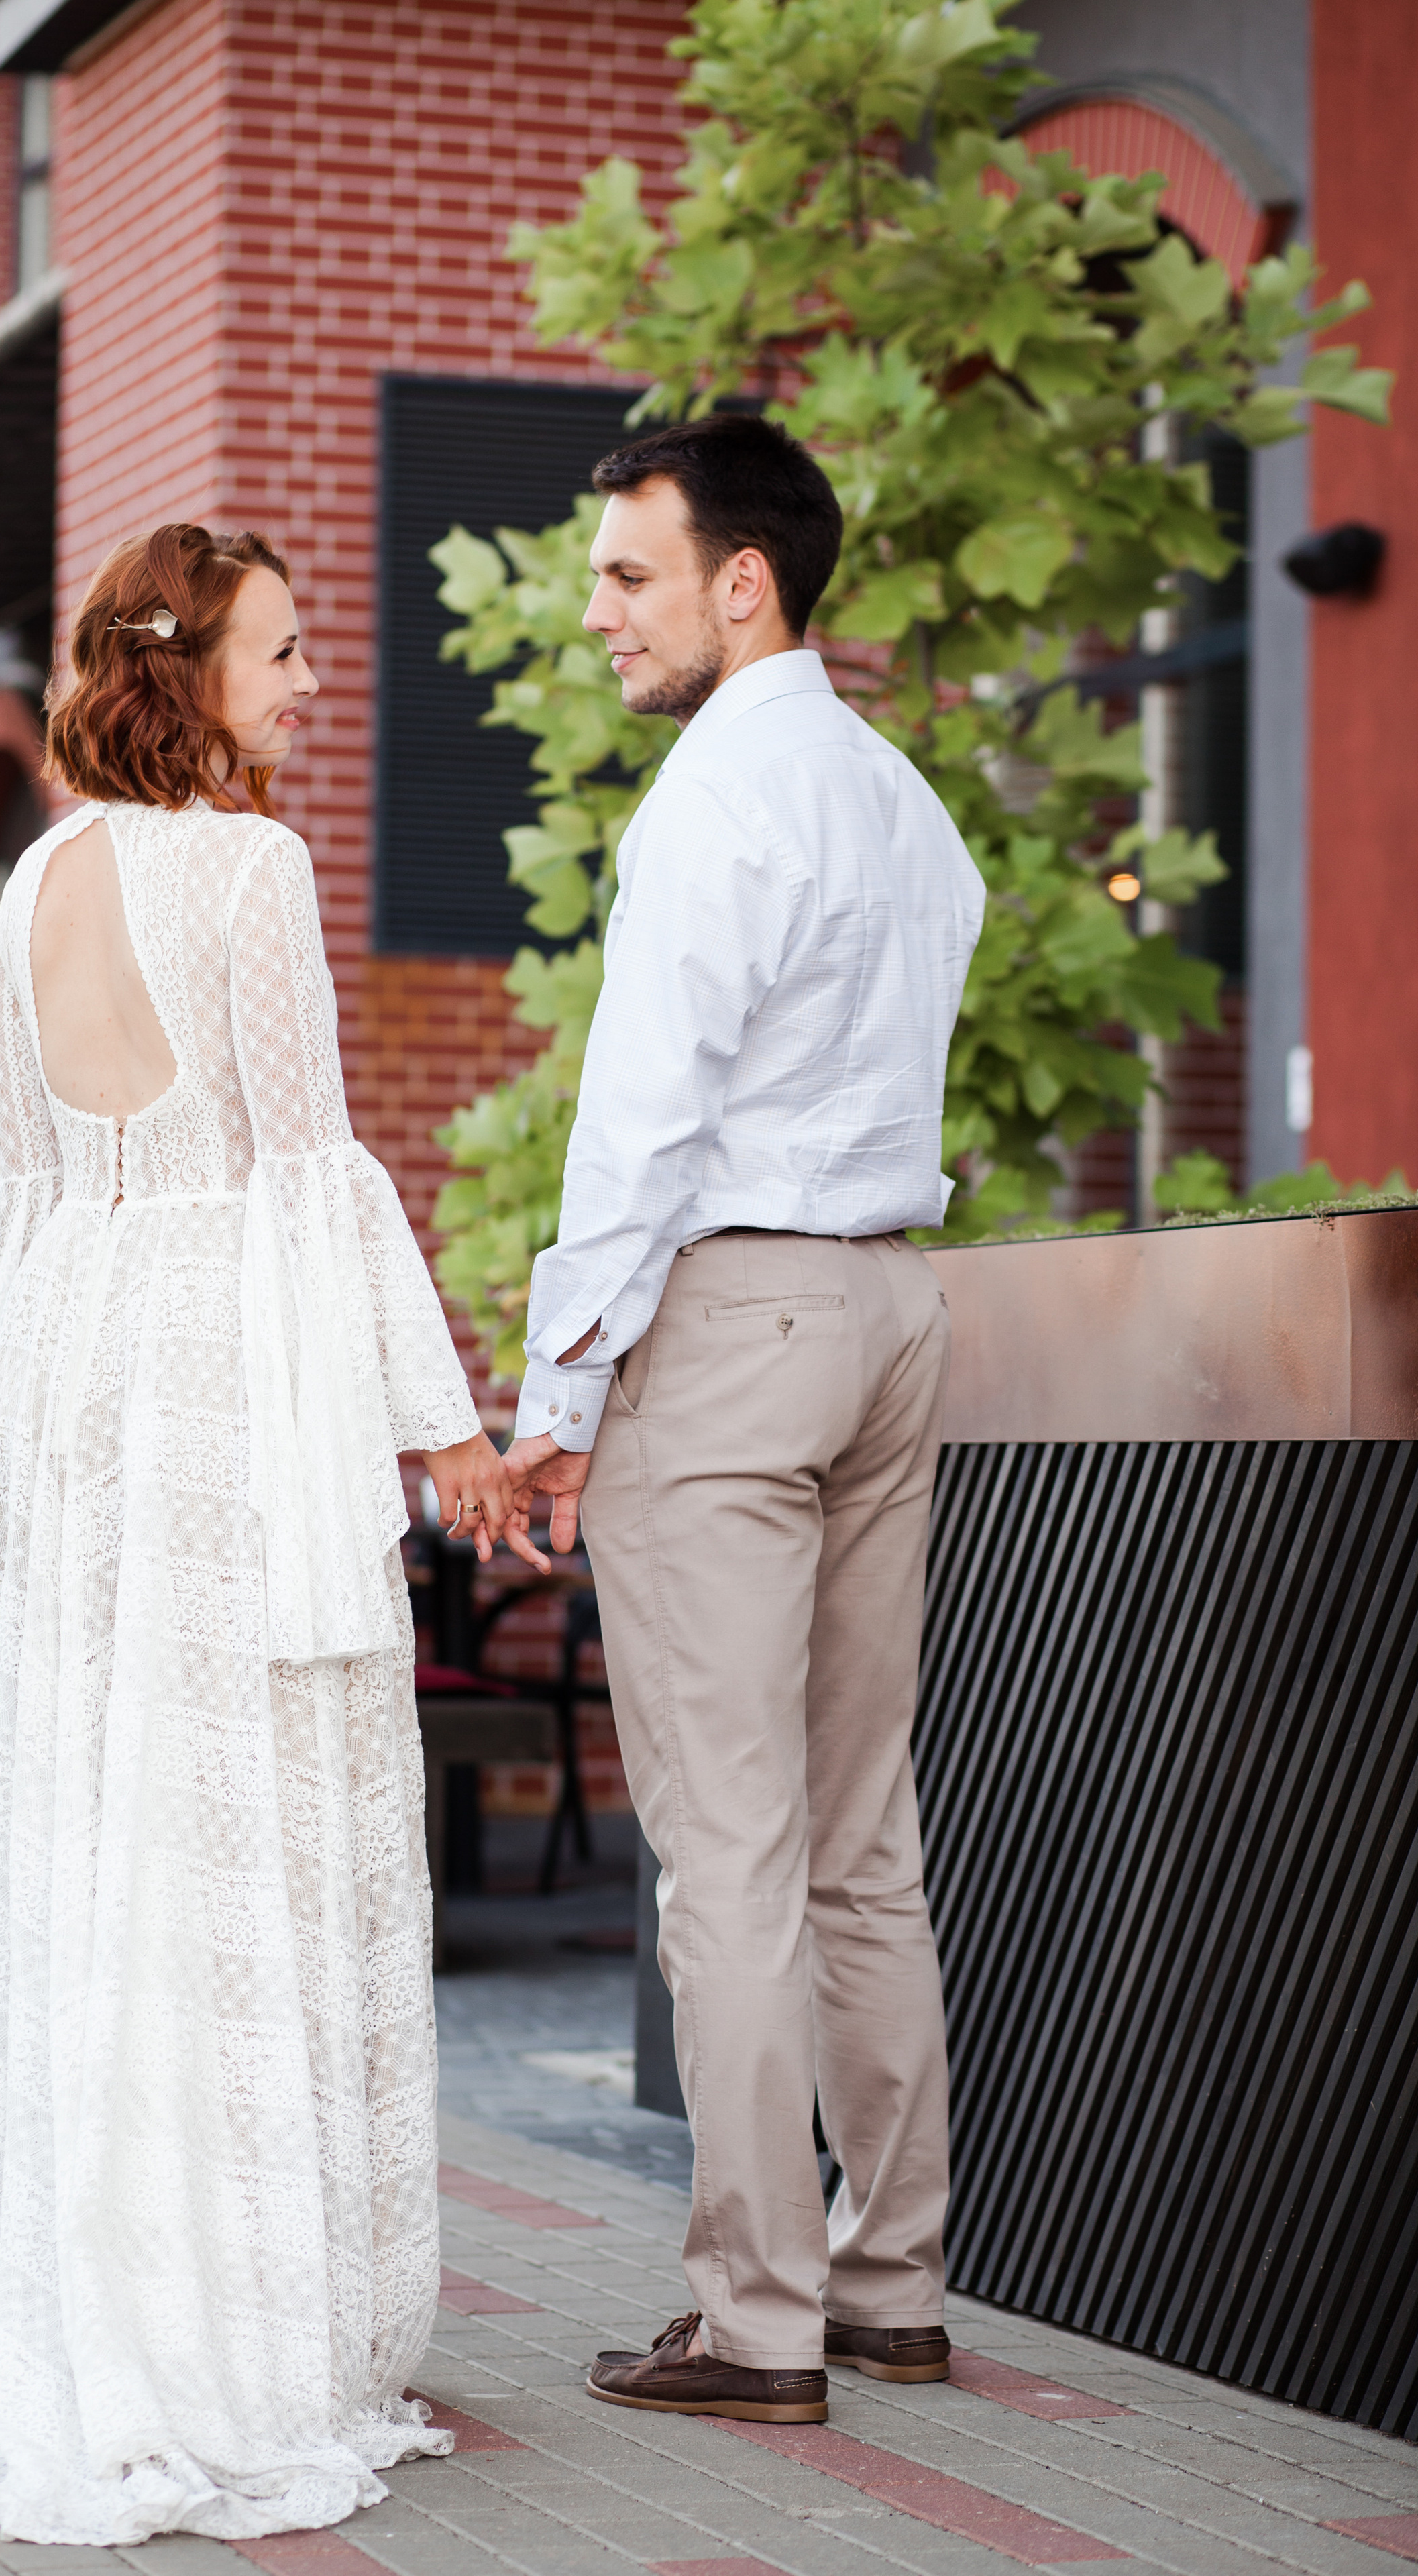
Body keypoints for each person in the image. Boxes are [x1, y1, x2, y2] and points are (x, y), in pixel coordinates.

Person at [0, 525, 543, 2544]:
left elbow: (30, 1189)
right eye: (291, 654)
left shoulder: (33, 879)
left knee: (89, 1819)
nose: (316, 687)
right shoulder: (246, 870)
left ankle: (66, 2297)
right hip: (215, 1392)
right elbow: (310, 1168)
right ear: (192, 672)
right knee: (221, 1817)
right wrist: (445, 1430)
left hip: (72, 1374)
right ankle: (208, 2335)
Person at [504, 416, 985, 2424]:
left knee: (732, 1851)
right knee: (861, 1834)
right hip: (890, 1307)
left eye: (627, 575)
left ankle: (759, 2320)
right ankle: (890, 2286)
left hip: (737, 1316)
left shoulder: (717, 799)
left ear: (740, 583)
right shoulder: (902, 800)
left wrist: (554, 1399)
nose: (596, 611)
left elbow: (643, 1126)